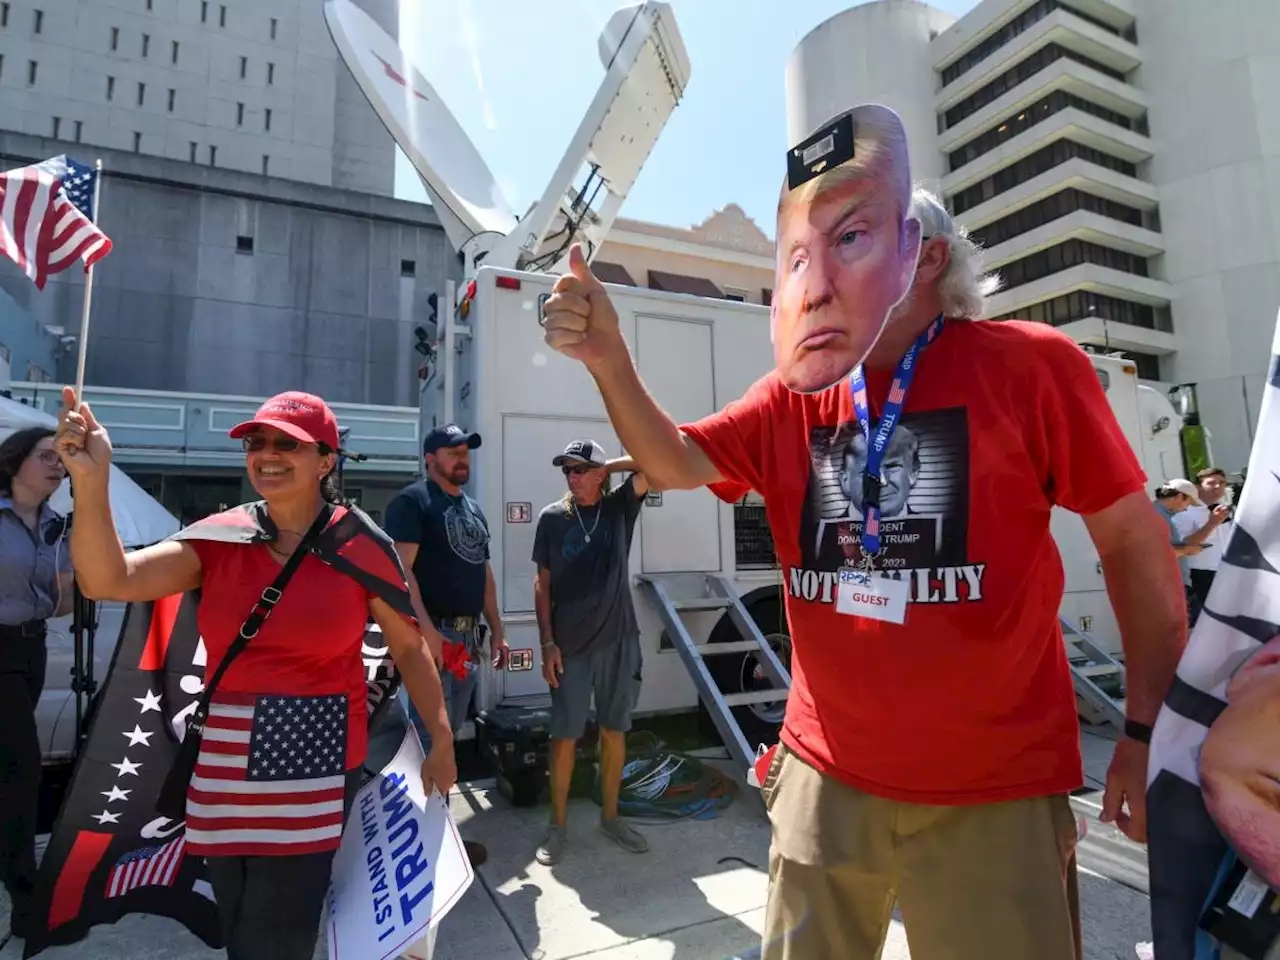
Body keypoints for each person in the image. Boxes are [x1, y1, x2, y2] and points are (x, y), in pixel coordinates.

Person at [540, 101, 1188, 959]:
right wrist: (610, 361)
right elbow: (673, 462)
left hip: (990, 792)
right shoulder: (793, 396)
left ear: (930, 259)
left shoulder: (1031, 368)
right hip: (824, 779)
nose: (831, 273)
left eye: (863, 238)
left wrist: (1146, 735)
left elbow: (1135, 546)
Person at [55, 388, 456, 960]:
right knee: (242, 926)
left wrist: (441, 738)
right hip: (222, 773)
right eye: (257, 441)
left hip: (314, 771)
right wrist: (90, 482)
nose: (266, 453)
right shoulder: (221, 536)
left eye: (287, 444)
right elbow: (108, 579)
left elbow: (411, 651)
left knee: (279, 936)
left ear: (325, 461)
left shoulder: (363, 544)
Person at [383, 423, 509, 867]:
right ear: (429, 458)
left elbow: (484, 574)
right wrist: (427, 632)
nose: (462, 459)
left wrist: (498, 628)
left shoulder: (472, 508)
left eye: (466, 452)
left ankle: (439, 835)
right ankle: (419, 847)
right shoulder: (413, 501)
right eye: (452, 452)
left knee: (447, 739)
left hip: (466, 640)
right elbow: (401, 573)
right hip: (431, 640)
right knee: (424, 738)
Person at [531, 440, 650, 866]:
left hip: (619, 639)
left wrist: (608, 465)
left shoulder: (620, 506)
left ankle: (611, 817)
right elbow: (542, 584)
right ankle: (557, 826)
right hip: (570, 647)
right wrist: (547, 643)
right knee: (564, 736)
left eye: (581, 469)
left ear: (600, 474)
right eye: (567, 470)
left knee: (614, 730)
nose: (572, 477)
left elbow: (653, 460)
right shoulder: (552, 518)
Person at [0, 427, 73, 939]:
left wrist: (77, 580)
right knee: (22, 769)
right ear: (14, 462)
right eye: (46, 456)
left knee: (11, 767)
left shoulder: (58, 526)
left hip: (32, 646)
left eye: (61, 459)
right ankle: (26, 896)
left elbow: (63, 601)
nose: (57, 465)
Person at [1153, 479, 1217, 622]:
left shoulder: (1160, 516)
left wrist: (1187, 549)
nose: (1187, 508)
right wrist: (1187, 549)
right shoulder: (1157, 517)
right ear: (1179, 496)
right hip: (1168, 586)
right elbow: (1155, 554)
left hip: (1171, 585)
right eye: (1187, 503)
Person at [1172, 467, 1234, 610]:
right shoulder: (1186, 513)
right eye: (1211, 483)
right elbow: (1185, 545)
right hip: (1204, 575)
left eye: (1222, 482)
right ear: (1198, 487)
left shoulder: (1227, 510)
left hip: (1229, 570)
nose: (1218, 487)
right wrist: (1212, 523)